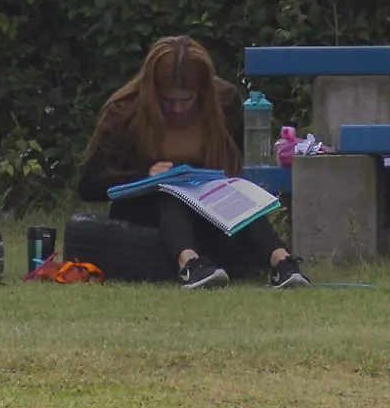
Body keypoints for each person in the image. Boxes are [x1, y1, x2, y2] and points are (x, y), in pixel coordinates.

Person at [80, 36, 308, 289]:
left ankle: (283, 263)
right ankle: (190, 264)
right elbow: (89, 184)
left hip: (207, 203)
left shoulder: (225, 102)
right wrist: (145, 176)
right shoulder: (124, 112)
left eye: (186, 100)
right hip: (146, 205)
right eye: (168, 102)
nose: (177, 109)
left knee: (238, 196)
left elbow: (239, 166)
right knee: (171, 193)